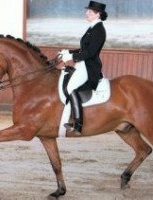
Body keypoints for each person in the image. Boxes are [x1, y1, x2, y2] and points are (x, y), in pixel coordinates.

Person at [59, 1, 108, 135]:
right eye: (88, 11)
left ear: (98, 14)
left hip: (89, 67)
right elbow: (84, 48)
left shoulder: (99, 30)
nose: (87, 13)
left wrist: (71, 57)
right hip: (82, 64)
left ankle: (78, 125)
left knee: (70, 88)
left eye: (90, 12)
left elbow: (90, 53)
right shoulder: (92, 28)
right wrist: (67, 52)